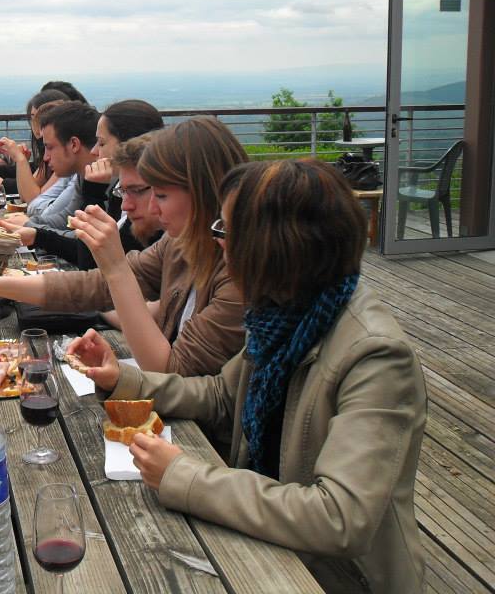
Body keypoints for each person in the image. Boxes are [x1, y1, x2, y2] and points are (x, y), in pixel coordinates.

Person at [75, 159, 427, 593]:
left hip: (338, 576)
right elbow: (224, 395)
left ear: (276, 246)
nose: (217, 241)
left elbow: (340, 518)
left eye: (227, 229)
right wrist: (122, 382)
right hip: (269, 537)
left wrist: (184, 476)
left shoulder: (374, 354)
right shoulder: (284, 312)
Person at [0, 117, 247, 375]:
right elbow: (90, 286)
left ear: (204, 193)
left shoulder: (239, 276)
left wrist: (115, 267)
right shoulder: (182, 245)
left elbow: (172, 371)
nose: (146, 208)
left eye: (159, 195)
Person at [0, 102, 164, 267]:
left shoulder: (107, 185)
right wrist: (36, 235)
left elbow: (92, 261)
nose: (94, 151)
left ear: (130, 146)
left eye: (102, 143)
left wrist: (94, 193)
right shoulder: (113, 188)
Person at [23, 100, 99, 233]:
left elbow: (81, 242)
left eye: (50, 147)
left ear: (74, 144)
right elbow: (65, 219)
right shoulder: (83, 175)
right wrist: (28, 224)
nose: (46, 157)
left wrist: (32, 229)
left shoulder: (106, 181)